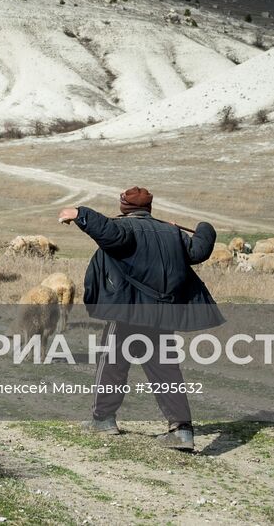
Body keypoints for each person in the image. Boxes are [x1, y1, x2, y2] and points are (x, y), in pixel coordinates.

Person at [59, 186, 221, 451]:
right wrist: (205, 226)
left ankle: (103, 420)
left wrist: (79, 213)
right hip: (161, 313)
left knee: (111, 364)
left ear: (124, 207)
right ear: (149, 208)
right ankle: (181, 431)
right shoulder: (173, 234)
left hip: (128, 312)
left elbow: (106, 231)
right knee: (166, 370)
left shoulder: (123, 230)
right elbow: (200, 249)